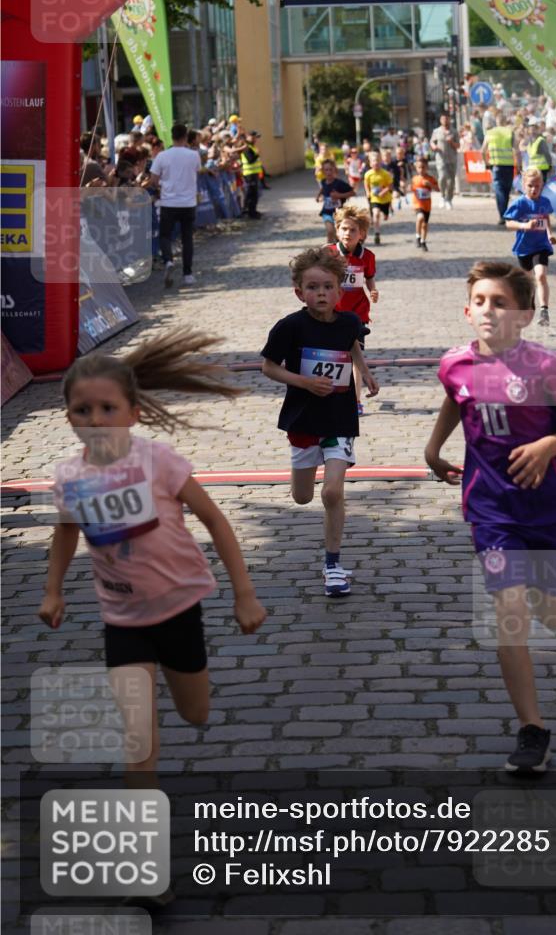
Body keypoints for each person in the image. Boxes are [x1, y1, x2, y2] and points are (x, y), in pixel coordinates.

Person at [38, 329, 267, 785]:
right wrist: (52, 590)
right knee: (138, 738)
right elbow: (65, 533)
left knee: (195, 712)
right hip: (122, 619)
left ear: (134, 414)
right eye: (83, 410)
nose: (96, 420)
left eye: (108, 409)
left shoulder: (157, 462)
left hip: (179, 606)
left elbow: (215, 520)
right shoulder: (69, 477)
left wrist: (244, 594)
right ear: (68, 417)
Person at [425, 261, 556, 773]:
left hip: (547, 507)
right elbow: (454, 401)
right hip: (491, 510)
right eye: (480, 301)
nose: (488, 310)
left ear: (525, 315)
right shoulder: (454, 364)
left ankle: (554, 589)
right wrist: (434, 447)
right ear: (466, 310)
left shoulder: (546, 367)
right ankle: (532, 729)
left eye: (500, 302)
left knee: (552, 614)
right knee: (510, 622)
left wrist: (551, 444)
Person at [261, 247, 379, 597]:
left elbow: (352, 346)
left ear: (340, 291)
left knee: (332, 492)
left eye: (328, 287)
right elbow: (268, 367)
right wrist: (305, 382)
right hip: (303, 418)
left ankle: (333, 565)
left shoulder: (349, 322)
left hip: (339, 418)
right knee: (302, 496)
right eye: (313, 288)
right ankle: (306, 477)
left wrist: (366, 374)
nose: (321, 294)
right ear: (300, 292)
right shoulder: (290, 327)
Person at [331, 205, 379, 415]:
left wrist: (373, 290)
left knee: (355, 357)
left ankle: (355, 400)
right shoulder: (329, 253)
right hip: (332, 313)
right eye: (343, 228)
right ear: (337, 230)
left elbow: (369, 277)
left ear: (362, 234)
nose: (347, 233)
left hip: (357, 314)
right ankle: (333, 397)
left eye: (353, 230)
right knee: (335, 357)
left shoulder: (367, 256)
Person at [148, 123, 202, 288]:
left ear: (171, 137)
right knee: (187, 239)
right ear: (186, 137)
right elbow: (197, 172)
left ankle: (169, 261)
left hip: (169, 202)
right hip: (188, 203)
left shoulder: (162, 156)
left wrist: (160, 187)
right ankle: (187, 274)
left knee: (165, 236)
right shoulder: (194, 155)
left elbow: (153, 180)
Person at [503, 167, 556, 327]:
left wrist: (550, 234)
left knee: (540, 276)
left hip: (541, 246)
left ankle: (544, 310)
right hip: (524, 248)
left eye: (537, 186)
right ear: (524, 185)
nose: (534, 189)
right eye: (530, 186)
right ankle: (530, 303)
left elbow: (545, 218)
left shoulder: (545, 202)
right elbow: (508, 224)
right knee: (528, 281)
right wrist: (524, 225)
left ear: (542, 186)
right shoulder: (519, 203)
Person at [481, 111, 520, 226]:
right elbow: (517, 150)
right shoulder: (510, 132)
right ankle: (504, 214)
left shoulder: (490, 133)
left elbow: (482, 150)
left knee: (499, 190)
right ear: (505, 121)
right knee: (506, 190)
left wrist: (486, 163)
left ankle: (502, 215)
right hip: (508, 166)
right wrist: (518, 165)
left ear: (496, 121)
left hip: (496, 165)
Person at [316, 160, 355, 243]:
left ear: (334, 170)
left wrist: (339, 196)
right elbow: (323, 188)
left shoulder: (339, 183)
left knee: (338, 235)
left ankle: (338, 249)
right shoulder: (323, 181)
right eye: (326, 170)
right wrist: (318, 196)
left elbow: (352, 193)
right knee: (330, 231)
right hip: (327, 212)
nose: (328, 172)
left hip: (339, 213)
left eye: (330, 169)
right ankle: (328, 252)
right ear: (323, 171)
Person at [429, 113, 459, 209]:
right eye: (443, 119)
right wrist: (434, 147)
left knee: (451, 181)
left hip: (452, 159)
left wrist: (452, 142)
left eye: (447, 119)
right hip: (441, 158)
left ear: (449, 120)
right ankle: (442, 196)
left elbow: (458, 146)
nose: (445, 121)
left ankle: (449, 199)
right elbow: (432, 142)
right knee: (442, 177)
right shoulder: (436, 131)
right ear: (440, 120)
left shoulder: (454, 131)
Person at [363, 151, 394, 245]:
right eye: (373, 161)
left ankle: (387, 212)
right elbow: (366, 184)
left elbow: (390, 186)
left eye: (377, 160)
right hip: (374, 199)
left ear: (381, 161)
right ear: (370, 163)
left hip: (385, 199)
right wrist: (368, 192)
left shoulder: (385, 174)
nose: (375, 163)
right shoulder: (368, 174)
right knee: (375, 214)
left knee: (385, 217)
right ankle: (377, 233)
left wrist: (383, 192)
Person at [411, 156, 439, 252]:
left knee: (425, 225)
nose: (421, 169)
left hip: (427, 205)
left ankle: (423, 241)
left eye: (423, 167)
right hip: (417, 204)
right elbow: (410, 189)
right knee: (420, 218)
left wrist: (430, 185)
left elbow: (438, 189)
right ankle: (417, 236)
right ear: (416, 168)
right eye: (419, 167)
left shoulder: (430, 178)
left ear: (427, 167)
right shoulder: (415, 179)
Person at [234, 130, 264, 219]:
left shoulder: (251, 146)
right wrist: (257, 154)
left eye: (256, 138)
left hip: (253, 173)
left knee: (253, 193)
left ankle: (252, 210)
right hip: (249, 174)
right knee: (251, 193)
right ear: (248, 137)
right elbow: (250, 160)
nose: (255, 139)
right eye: (254, 137)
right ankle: (250, 212)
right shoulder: (246, 147)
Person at [526, 117, 552, 184]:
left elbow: (547, 154)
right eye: (531, 130)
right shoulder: (530, 141)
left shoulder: (540, 140)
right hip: (533, 170)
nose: (532, 132)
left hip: (541, 170)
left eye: (534, 130)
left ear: (537, 130)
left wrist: (550, 166)